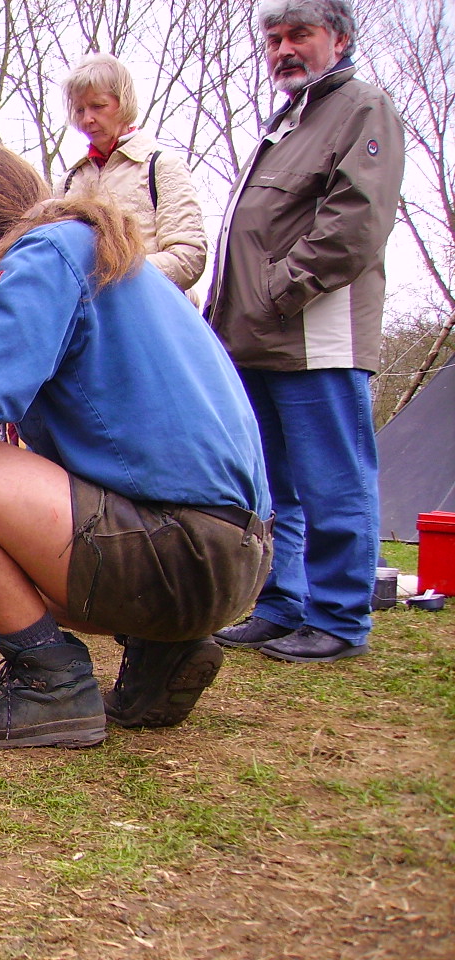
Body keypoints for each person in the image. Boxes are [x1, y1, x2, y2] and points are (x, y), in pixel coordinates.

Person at [0, 141, 272, 749]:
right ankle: (163, 653)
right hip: (234, 558)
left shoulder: (45, 251)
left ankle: (49, 682)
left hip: (180, 554)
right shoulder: (110, 258)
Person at [207, 0, 404, 664]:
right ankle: (280, 604)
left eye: (300, 34)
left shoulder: (362, 108)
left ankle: (340, 618)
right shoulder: (289, 120)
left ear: (339, 39)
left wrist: (281, 289)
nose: (283, 49)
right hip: (254, 339)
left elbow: (356, 221)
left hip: (319, 337)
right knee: (273, 489)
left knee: (333, 483)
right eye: (274, 38)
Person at [54, 53, 207, 294]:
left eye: (98, 106)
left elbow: (187, 259)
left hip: (149, 309)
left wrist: (111, 277)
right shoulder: (68, 182)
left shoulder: (161, 166)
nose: (87, 119)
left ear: (123, 102)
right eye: (79, 110)